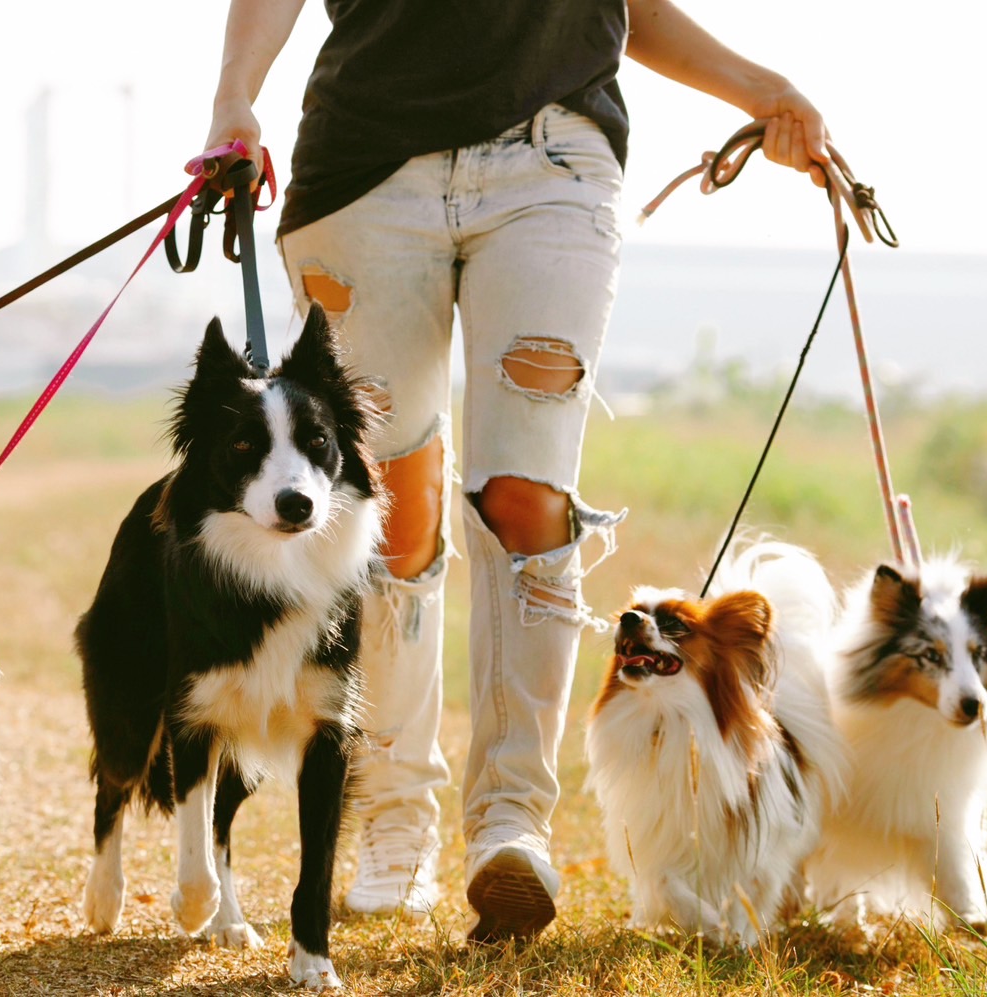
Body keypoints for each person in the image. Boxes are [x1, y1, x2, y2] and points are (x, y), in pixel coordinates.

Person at [201, 0, 831, 943]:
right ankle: (392, 812)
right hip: (366, 168)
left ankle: (510, 821)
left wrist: (765, 90)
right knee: (390, 505)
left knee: (527, 496)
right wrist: (233, 100)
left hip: (555, 163)